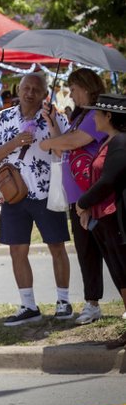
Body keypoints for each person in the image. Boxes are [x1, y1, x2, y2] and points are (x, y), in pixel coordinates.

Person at [0, 72, 72, 326]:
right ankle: (28, 305)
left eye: (36, 89)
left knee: (56, 246)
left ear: (45, 93)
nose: (30, 93)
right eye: (26, 88)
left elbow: (65, 149)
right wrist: (14, 143)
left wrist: (52, 125)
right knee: (17, 250)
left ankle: (63, 301)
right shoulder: (3, 117)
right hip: (13, 194)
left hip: (45, 192)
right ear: (18, 89)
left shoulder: (55, 117)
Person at [40, 69, 107, 324]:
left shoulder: (95, 114)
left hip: (94, 196)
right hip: (77, 198)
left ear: (87, 87)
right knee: (86, 251)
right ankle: (92, 303)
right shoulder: (79, 116)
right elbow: (62, 145)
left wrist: (49, 143)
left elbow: (72, 142)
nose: (71, 94)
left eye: (74, 88)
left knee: (108, 250)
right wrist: (52, 124)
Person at [75, 94, 126, 322]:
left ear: (109, 116)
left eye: (97, 113)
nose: (93, 117)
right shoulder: (109, 141)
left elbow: (108, 181)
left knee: (124, 272)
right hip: (105, 219)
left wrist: (82, 202)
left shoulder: (120, 142)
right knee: (119, 274)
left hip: (117, 218)